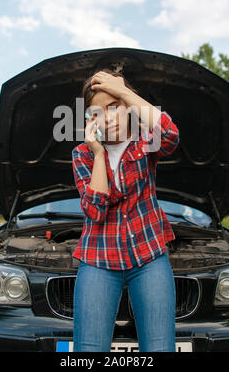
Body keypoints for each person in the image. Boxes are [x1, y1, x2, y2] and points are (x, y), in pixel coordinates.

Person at [71, 68, 180, 352]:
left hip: (150, 255)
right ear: (90, 120)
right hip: (98, 258)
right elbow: (95, 212)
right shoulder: (82, 153)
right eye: (98, 112)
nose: (108, 118)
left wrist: (123, 90)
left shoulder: (144, 139)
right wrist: (97, 154)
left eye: (115, 107)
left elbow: (170, 134)